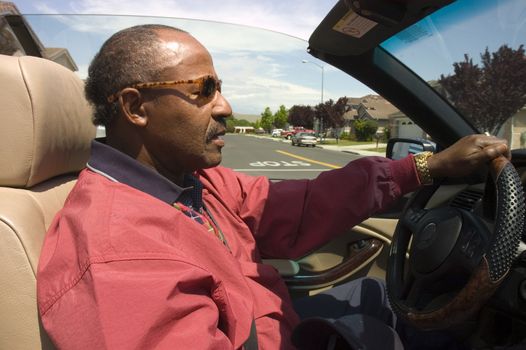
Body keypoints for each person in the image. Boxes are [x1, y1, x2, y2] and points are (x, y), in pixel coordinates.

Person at [36, 24, 510, 350]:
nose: (224, 106)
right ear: (136, 107)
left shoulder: (190, 182)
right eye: (203, 89)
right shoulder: (116, 258)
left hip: (274, 322)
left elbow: (299, 205)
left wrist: (426, 167)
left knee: (382, 298)